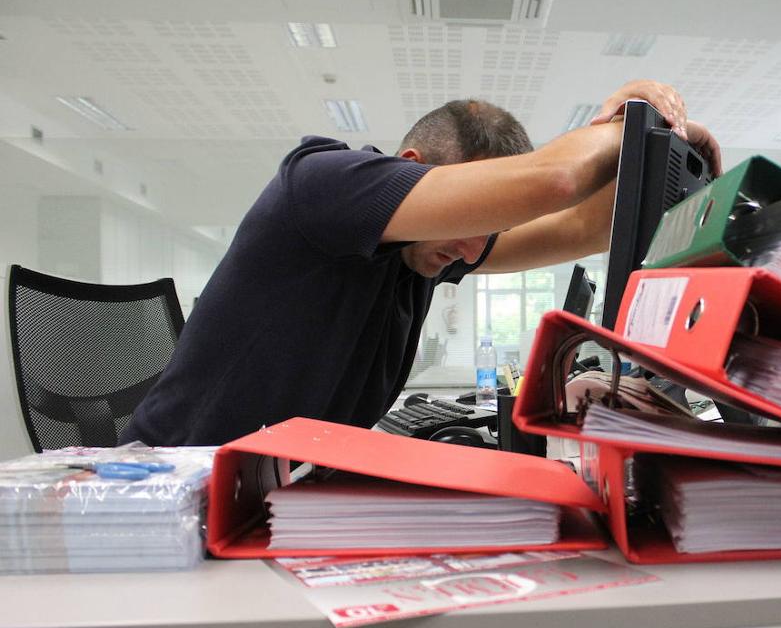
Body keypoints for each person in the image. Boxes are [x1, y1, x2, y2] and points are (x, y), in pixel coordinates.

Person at [122, 80, 720, 446]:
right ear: (411, 167)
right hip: (175, 483)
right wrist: (631, 117)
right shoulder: (323, 183)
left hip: (277, 493)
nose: (470, 250)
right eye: (465, 222)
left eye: (486, 233)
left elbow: (582, 227)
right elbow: (558, 182)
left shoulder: (423, 253)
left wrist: (671, 152)